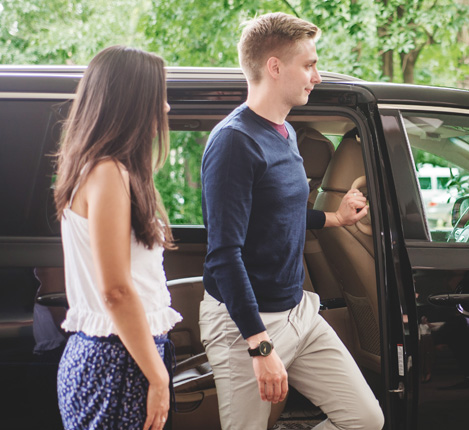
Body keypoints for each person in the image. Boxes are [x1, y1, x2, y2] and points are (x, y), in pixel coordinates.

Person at [199, 12, 384, 430]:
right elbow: (224, 254)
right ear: (275, 67)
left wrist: (335, 217)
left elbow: (278, 212)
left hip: (297, 310)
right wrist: (259, 345)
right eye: (309, 65)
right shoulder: (234, 141)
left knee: (365, 419)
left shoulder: (283, 132)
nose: (316, 76)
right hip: (244, 325)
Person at [54, 45, 182, 430]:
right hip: (117, 361)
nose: (166, 107)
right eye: (159, 96)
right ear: (132, 102)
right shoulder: (108, 172)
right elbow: (116, 290)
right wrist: (158, 378)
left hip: (119, 356)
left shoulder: (97, 169)